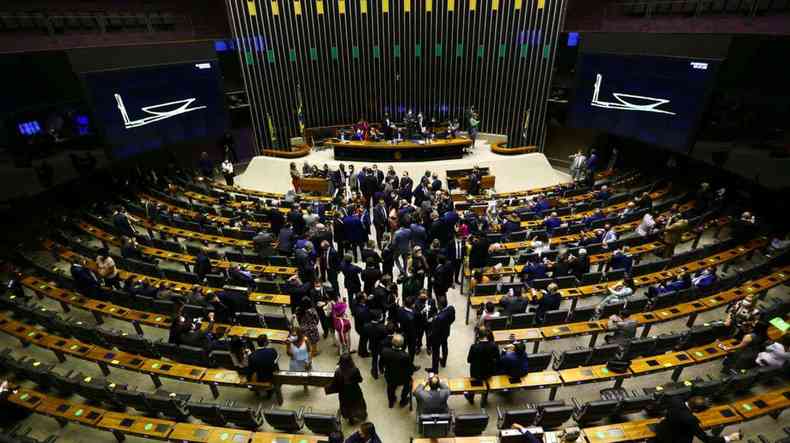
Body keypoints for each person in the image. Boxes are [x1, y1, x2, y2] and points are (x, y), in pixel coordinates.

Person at [654, 396, 741, 443]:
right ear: (696, 410)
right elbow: (706, 439)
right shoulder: (690, 420)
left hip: (661, 430)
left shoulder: (675, 400)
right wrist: (729, 438)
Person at [465, 327, 500, 406]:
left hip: (476, 372)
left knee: (473, 383)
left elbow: (469, 360)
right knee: (487, 382)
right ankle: (484, 400)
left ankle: (471, 398)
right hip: (489, 372)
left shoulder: (474, 347)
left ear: (478, 336)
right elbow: (498, 358)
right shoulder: (494, 346)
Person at [329, 353, 367, 424]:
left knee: (346, 405)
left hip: (343, 392)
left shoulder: (338, 371)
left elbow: (335, 382)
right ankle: (361, 416)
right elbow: (360, 380)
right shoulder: (355, 369)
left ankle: (350, 418)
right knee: (357, 403)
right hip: (354, 390)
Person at [381, 334, 417, 408]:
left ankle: (391, 401)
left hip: (389, 376)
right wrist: (411, 372)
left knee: (390, 387)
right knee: (409, 383)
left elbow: (381, 363)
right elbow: (410, 369)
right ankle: (403, 400)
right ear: (402, 344)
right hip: (402, 378)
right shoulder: (405, 356)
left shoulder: (385, 351)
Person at [428, 296, 455, 373]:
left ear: (440, 305)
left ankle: (435, 369)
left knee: (435, 352)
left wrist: (430, 335)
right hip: (446, 332)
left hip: (438, 336)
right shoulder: (451, 309)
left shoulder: (438, 318)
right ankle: (443, 361)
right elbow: (452, 319)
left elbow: (435, 330)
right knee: (444, 346)